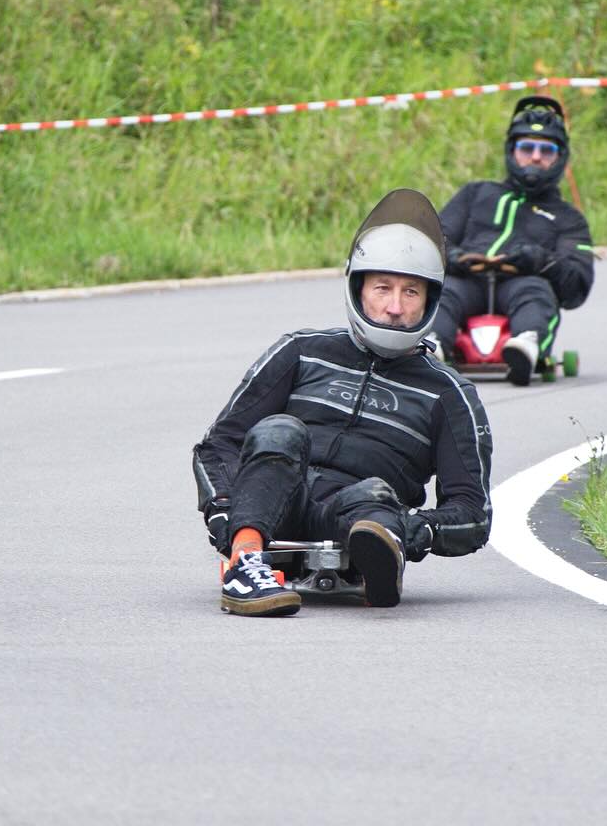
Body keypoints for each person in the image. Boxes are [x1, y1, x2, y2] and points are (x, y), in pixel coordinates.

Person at [192, 189, 493, 617]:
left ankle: (381, 556)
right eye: (383, 289)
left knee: (376, 498)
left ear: (430, 300)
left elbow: (472, 512)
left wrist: (417, 528)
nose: (394, 307)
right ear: (358, 287)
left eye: (410, 292)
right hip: (277, 498)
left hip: (359, 512)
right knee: (281, 431)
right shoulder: (301, 351)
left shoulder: (449, 393)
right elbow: (220, 444)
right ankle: (245, 564)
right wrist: (223, 509)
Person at [430, 96, 595, 385]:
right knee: (443, 293)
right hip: (467, 280)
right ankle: (433, 348)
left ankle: (526, 344)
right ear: (512, 151)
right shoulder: (476, 194)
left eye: (546, 150)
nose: (535, 157)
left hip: (521, 282)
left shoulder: (568, 218)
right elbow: (434, 238)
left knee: (536, 293)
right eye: (527, 148)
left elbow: (577, 285)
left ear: (560, 157)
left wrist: (540, 260)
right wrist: (452, 257)